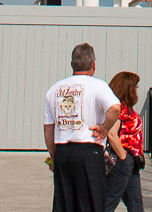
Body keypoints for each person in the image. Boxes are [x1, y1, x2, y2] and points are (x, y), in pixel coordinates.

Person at [43, 43, 122, 212]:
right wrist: (104, 128)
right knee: (91, 204)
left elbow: (49, 128)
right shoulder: (97, 86)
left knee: (64, 204)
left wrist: (53, 155)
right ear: (93, 64)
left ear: (73, 64)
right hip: (89, 151)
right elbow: (115, 108)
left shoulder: (55, 89)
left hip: (63, 151)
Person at [103, 71, 145, 212]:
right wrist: (123, 157)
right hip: (122, 161)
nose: (136, 91)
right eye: (135, 87)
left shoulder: (126, 109)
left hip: (131, 162)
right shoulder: (119, 109)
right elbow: (112, 134)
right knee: (110, 202)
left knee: (136, 205)